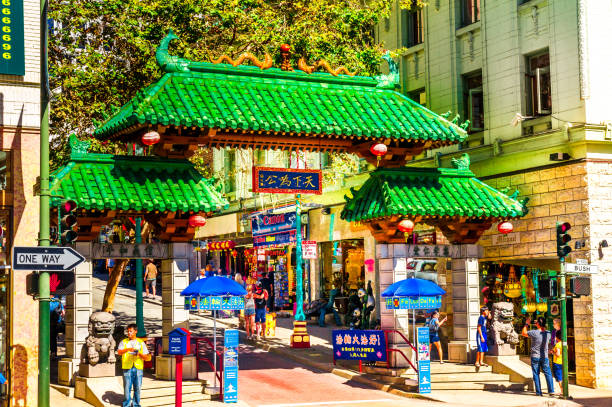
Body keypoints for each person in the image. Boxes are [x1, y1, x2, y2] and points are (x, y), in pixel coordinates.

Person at [117, 323, 151, 407]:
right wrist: (127, 349)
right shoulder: (123, 342)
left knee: (138, 387)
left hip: (138, 368)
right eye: (128, 331)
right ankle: (127, 404)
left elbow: (146, 356)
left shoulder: (141, 342)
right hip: (127, 367)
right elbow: (119, 352)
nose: (129, 333)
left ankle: (136, 404)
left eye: (131, 331)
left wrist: (139, 354)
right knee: (127, 387)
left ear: (135, 331)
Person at [521, 316, 555, 396]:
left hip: (535, 356)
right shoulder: (548, 333)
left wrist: (527, 324)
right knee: (548, 373)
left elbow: (523, 332)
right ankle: (551, 391)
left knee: (536, 374)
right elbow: (551, 342)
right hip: (544, 356)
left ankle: (539, 392)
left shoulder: (534, 332)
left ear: (538, 324)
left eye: (537, 322)